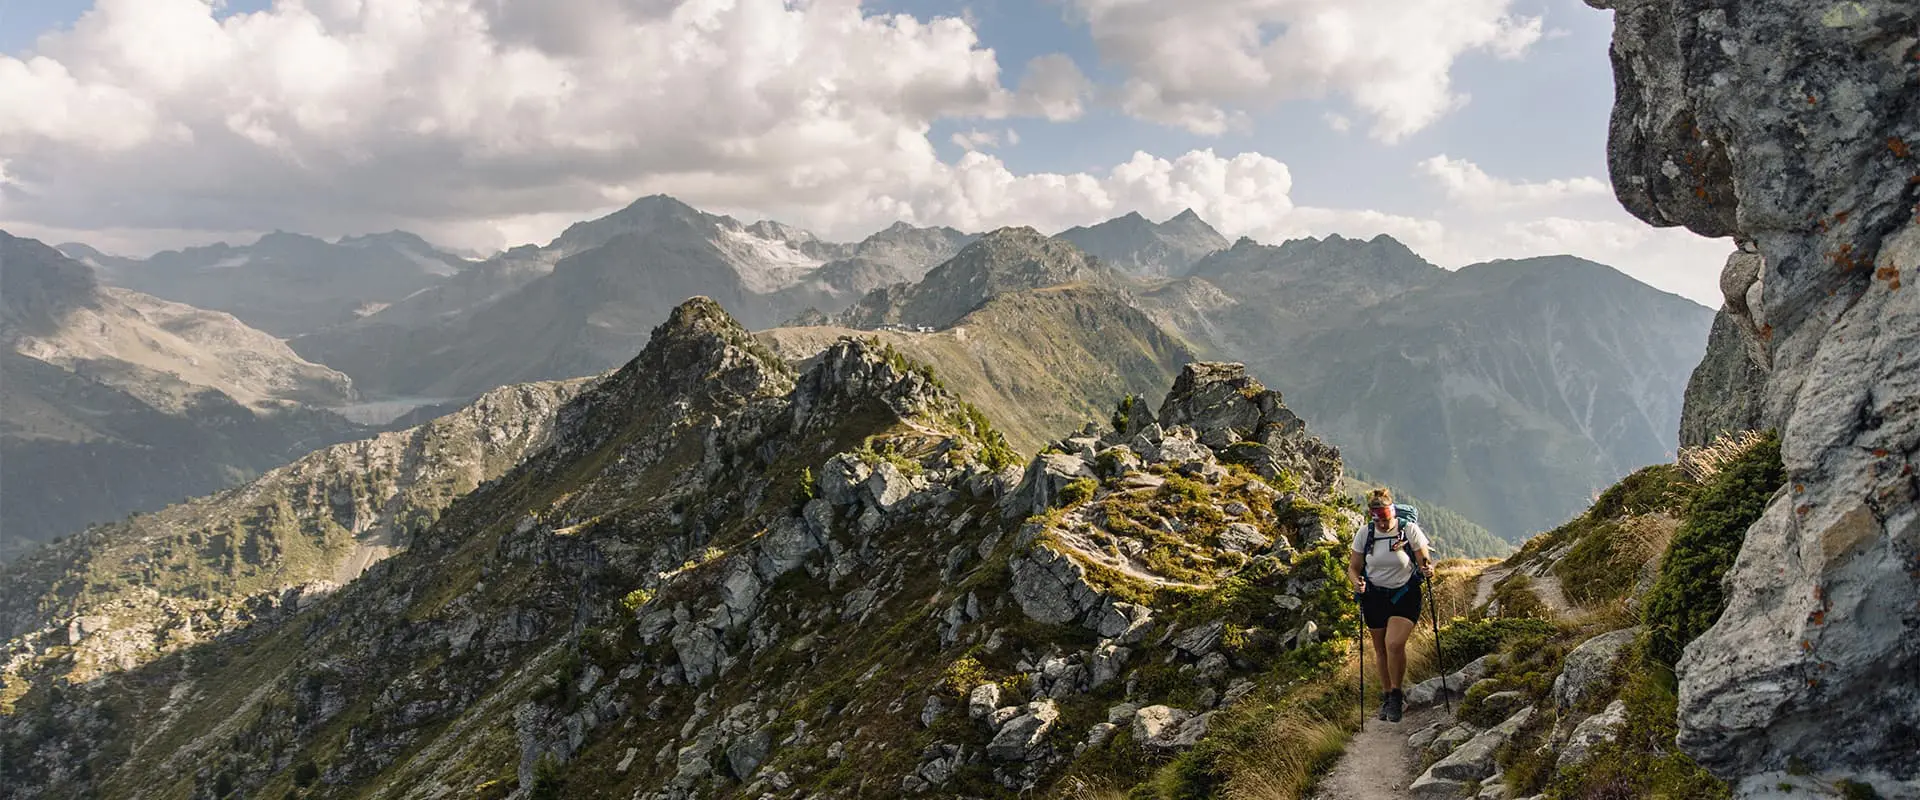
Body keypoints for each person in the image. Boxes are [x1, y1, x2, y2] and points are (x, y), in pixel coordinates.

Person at [1347, 488, 1434, 722]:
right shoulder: (1365, 533)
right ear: (1373, 517)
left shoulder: (1409, 530)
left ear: (1393, 513)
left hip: (1405, 593)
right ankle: (1387, 696)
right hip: (1374, 595)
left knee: (1393, 644)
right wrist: (1357, 583)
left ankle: (1396, 694)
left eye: (1387, 519)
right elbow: (1353, 567)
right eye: (1380, 521)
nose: (1384, 525)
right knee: (1381, 649)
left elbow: (1424, 560)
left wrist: (1427, 569)